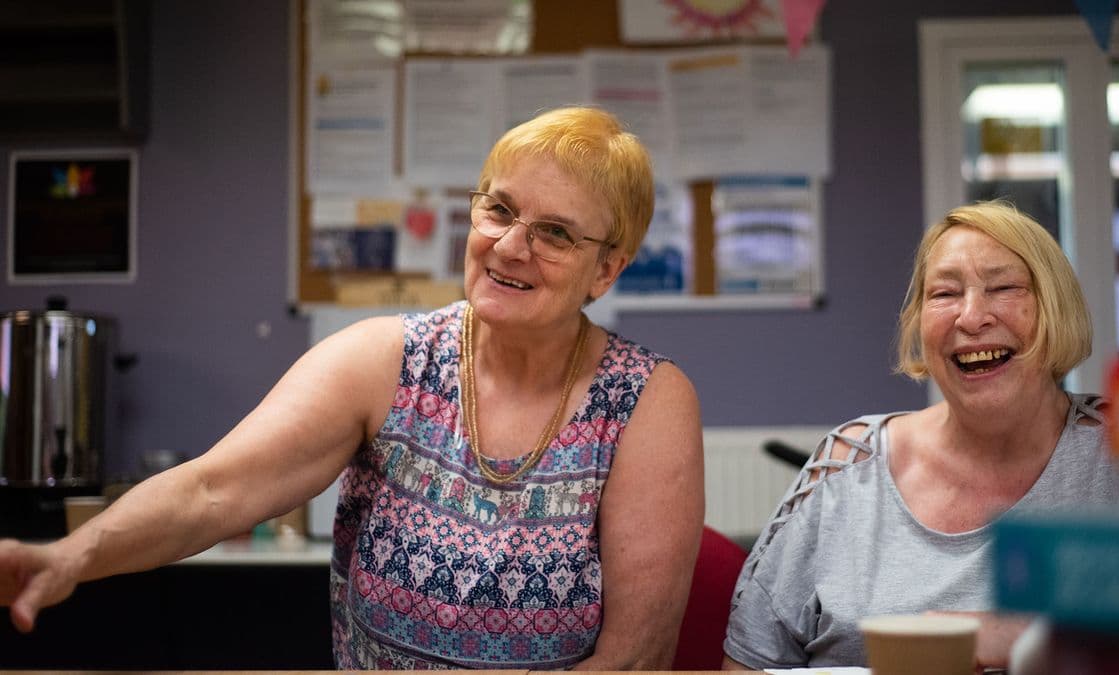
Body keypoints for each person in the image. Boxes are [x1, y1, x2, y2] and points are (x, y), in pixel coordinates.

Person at [0, 106, 705, 670]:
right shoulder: (387, 360)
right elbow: (213, 491)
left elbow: (634, 658)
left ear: (606, 269)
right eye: (500, 209)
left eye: (554, 232)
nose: (511, 246)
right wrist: (71, 555)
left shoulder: (648, 399)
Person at [722, 201, 1119, 672]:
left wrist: (1027, 636)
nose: (971, 318)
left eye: (1004, 287)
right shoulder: (847, 462)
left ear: (1056, 310)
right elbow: (747, 663)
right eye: (944, 294)